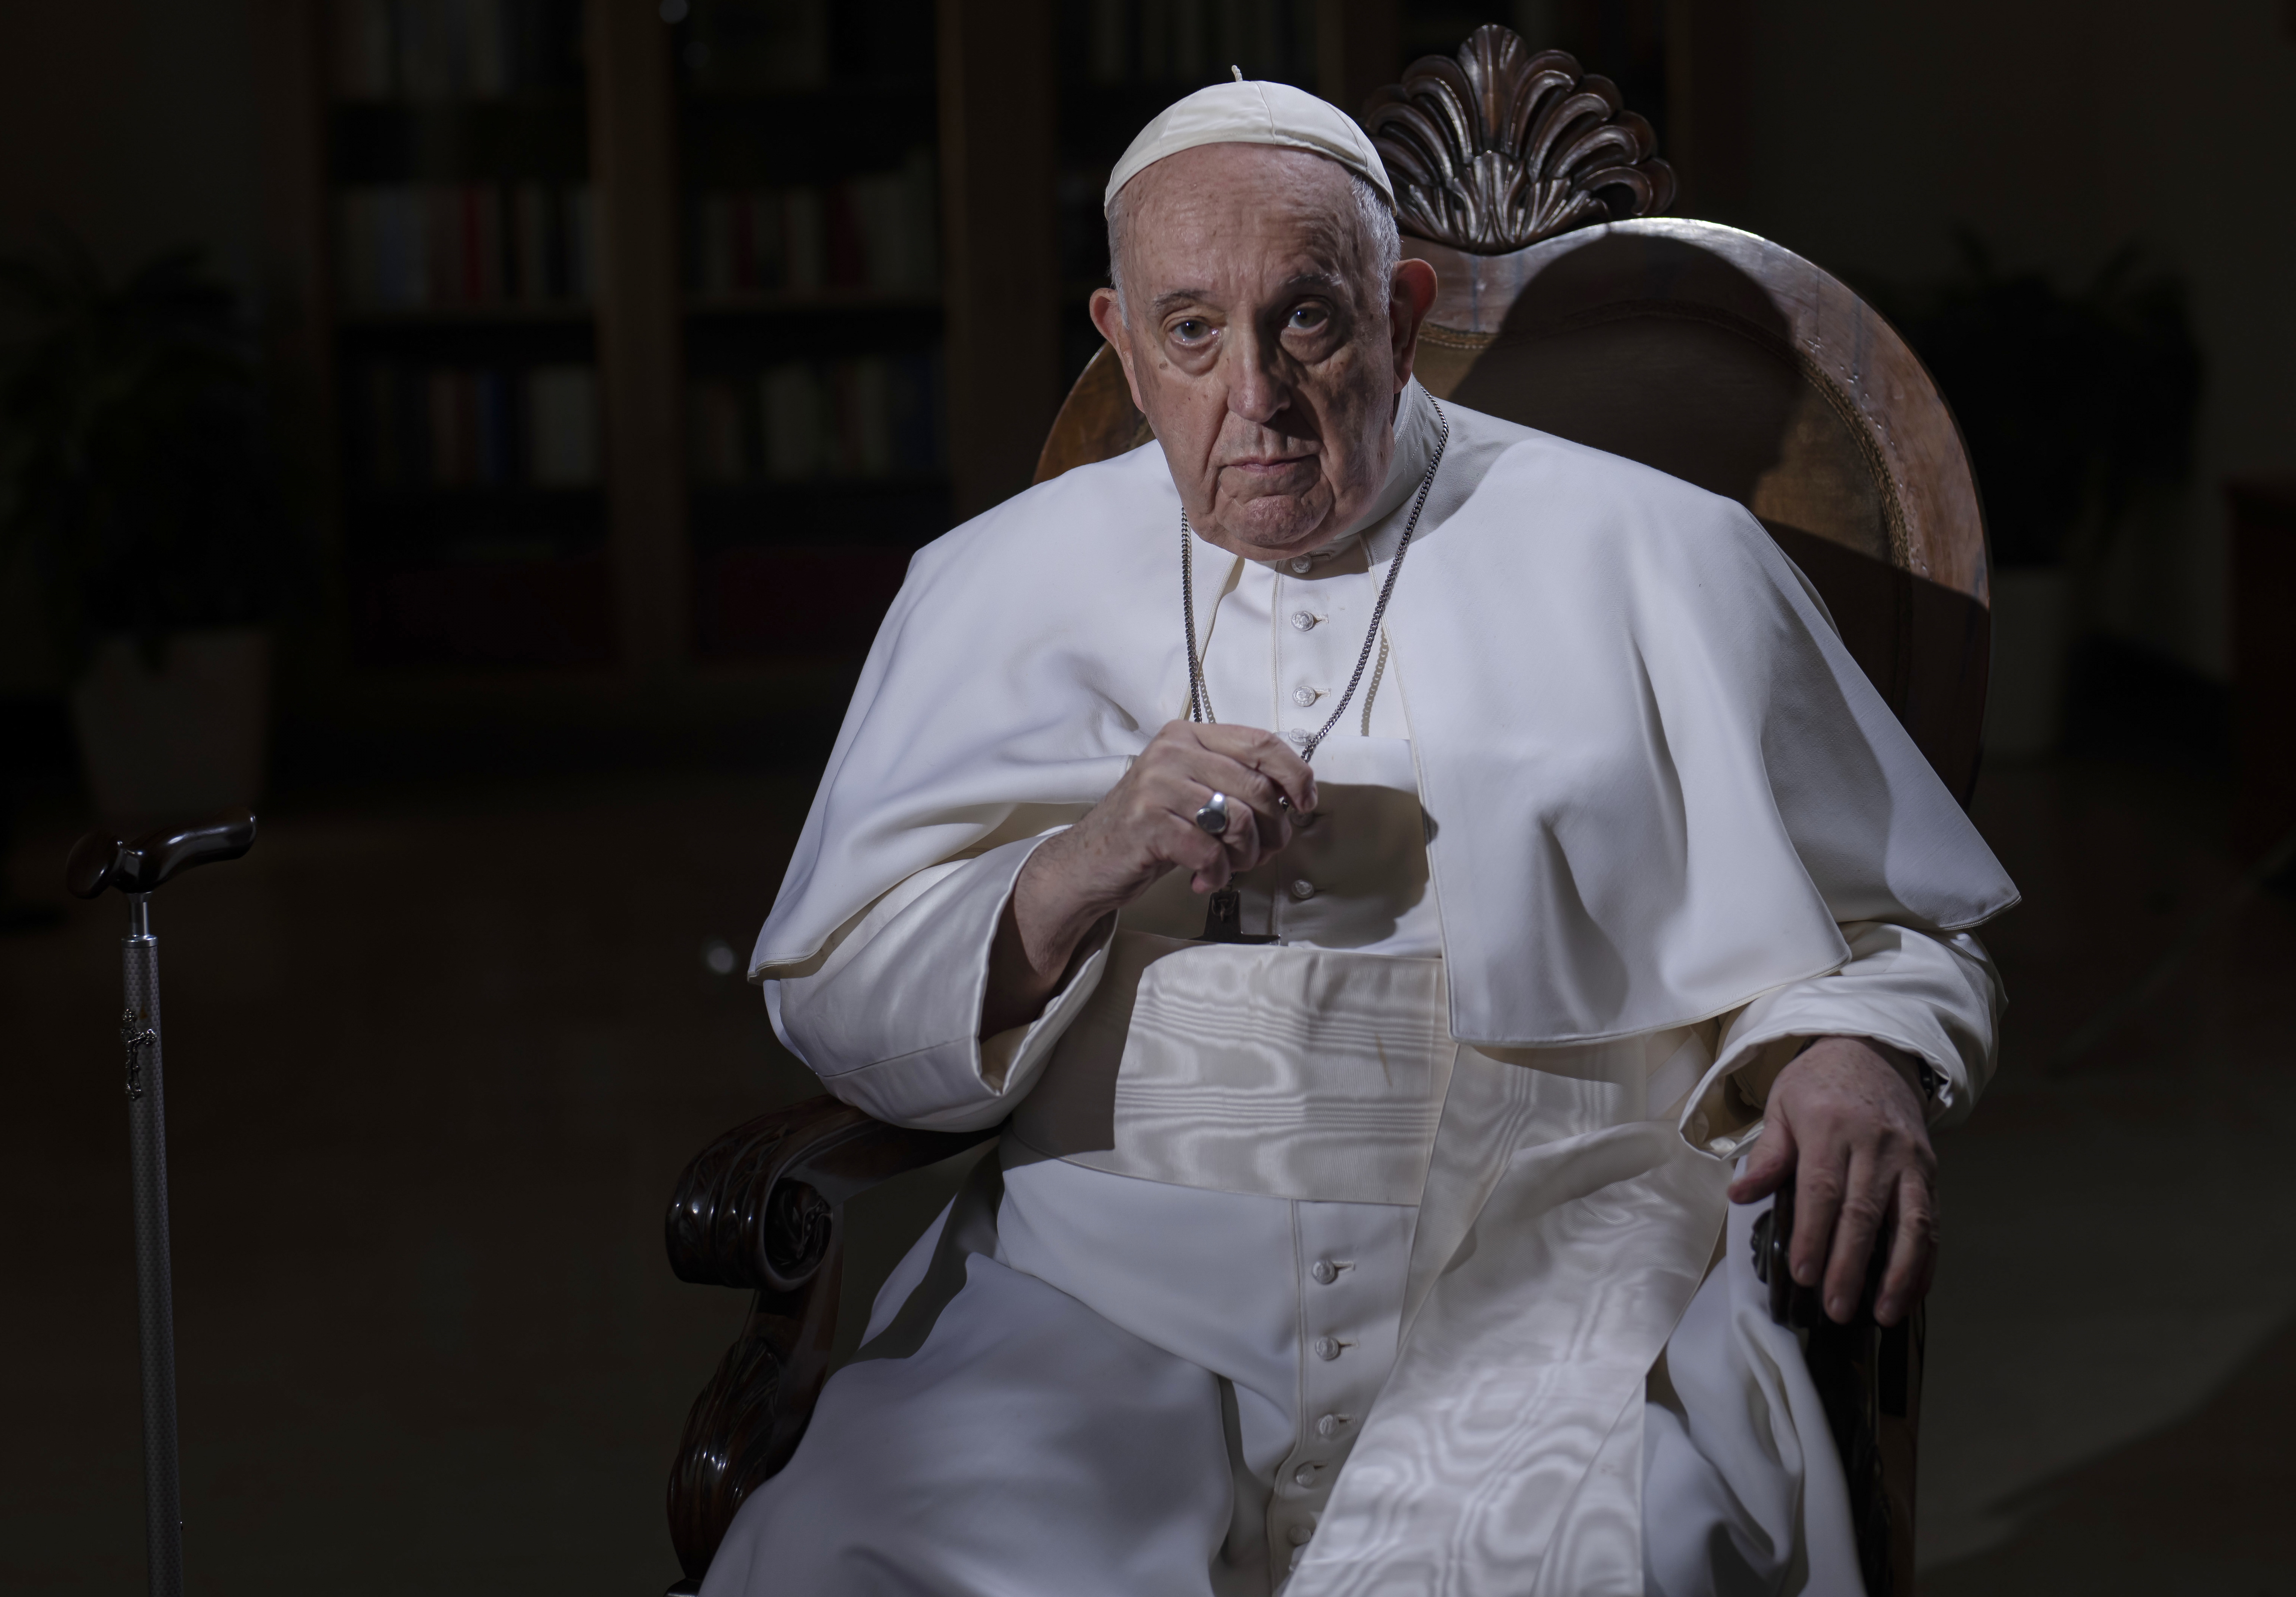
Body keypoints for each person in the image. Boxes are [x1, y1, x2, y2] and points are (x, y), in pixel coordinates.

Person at [704, 78, 2014, 1597]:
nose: (1252, 398)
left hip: (1557, 1269)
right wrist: (1077, 862)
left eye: (1306, 321)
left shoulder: (1659, 550)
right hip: (1111, 1291)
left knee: (1640, 1554)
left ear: (1396, 311)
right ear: (1121, 346)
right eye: (1190, 333)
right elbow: (844, 997)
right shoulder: (986, 584)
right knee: (848, 1550)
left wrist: (1850, 1046)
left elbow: (1898, 920)